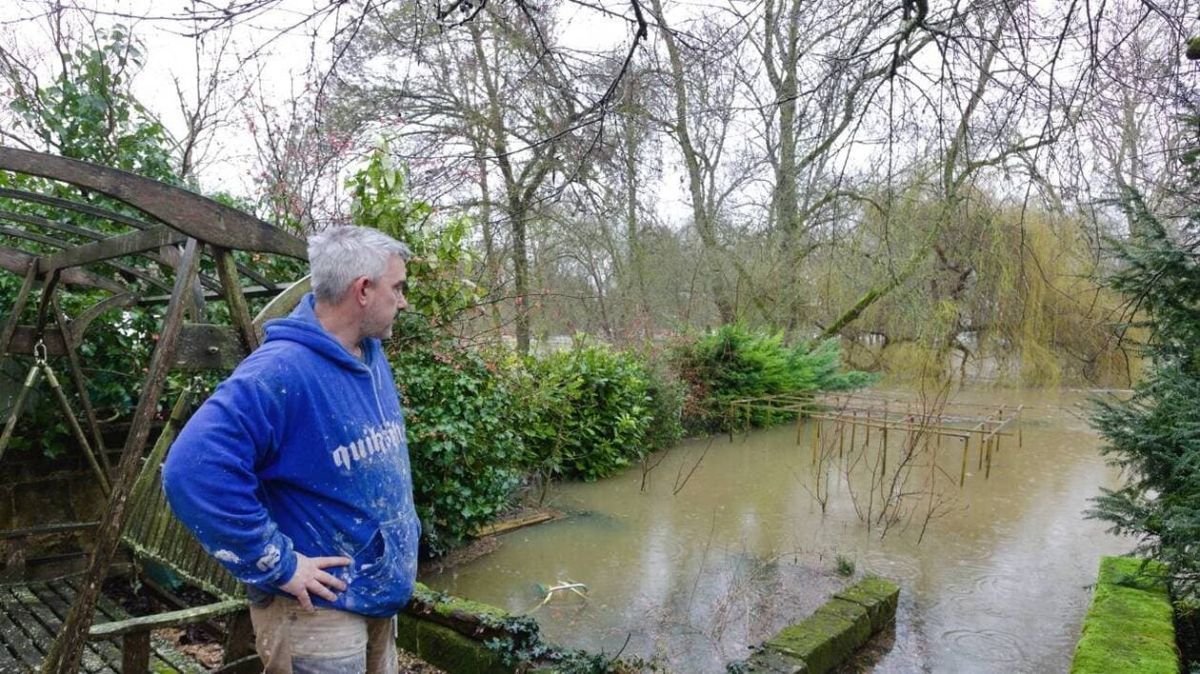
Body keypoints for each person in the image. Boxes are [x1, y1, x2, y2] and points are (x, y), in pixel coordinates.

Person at [163, 225, 420, 674]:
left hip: (376, 591)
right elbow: (190, 469)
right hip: (317, 611)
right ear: (363, 290)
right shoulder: (279, 371)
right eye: (397, 288)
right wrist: (277, 564)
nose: (403, 302)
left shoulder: (369, 355)